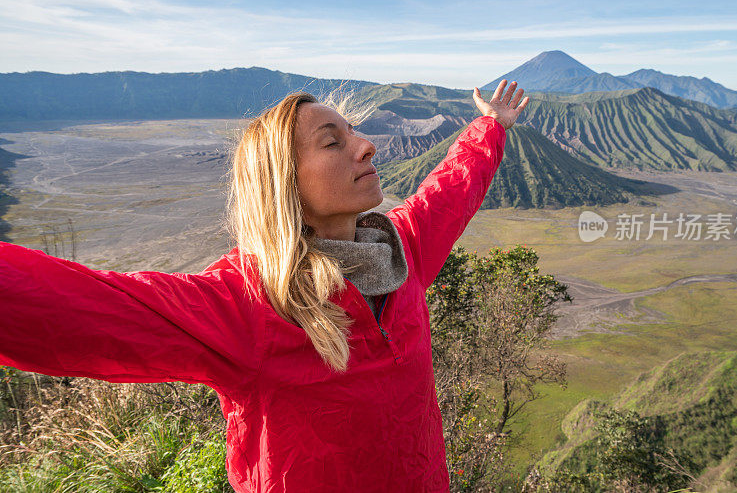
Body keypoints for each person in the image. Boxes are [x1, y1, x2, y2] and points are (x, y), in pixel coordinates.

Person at [0, 79, 529, 492]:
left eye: (356, 133)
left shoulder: (401, 250)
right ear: (284, 182)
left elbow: (451, 190)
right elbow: (79, 309)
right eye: (333, 142)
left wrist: (492, 127)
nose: (367, 147)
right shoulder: (249, 303)